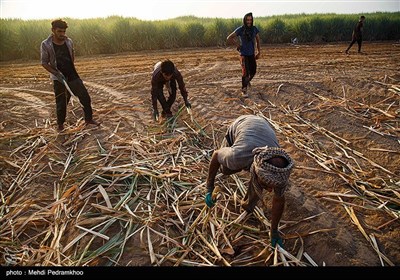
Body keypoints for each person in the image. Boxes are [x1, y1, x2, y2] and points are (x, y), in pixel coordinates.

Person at [205, 115, 294, 248]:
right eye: (266, 186)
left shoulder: (280, 173)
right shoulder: (236, 156)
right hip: (242, 124)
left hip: (263, 126)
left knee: (259, 182)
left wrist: (274, 231)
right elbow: (216, 155)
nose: (270, 191)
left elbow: (279, 199)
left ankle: (248, 206)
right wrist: (209, 188)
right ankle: (245, 176)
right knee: (226, 169)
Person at [40, 19, 99, 131]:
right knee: (62, 102)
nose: (62, 34)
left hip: (72, 75)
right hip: (59, 78)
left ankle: (88, 119)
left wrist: (70, 68)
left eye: (64, 31)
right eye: (59, 31)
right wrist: (57, 73)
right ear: (53, 30)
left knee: (85, 97)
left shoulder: (68, 41)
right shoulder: (46, 44)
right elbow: (44, 63)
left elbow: (72, 55)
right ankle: (60, 125)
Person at [226, 12, 261, 97]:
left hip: (251, 54)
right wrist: (237, 44)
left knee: (253, 71)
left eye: (250, 20)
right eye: (247, 20)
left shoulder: (254, 29)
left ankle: (247, 81)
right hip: (244, 54)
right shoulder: (241, 29)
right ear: (245, 20)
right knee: (245, 73)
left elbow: (258, 40)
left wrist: (259, 51)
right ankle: (244, 89)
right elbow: (229, 38)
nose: (249, 21)